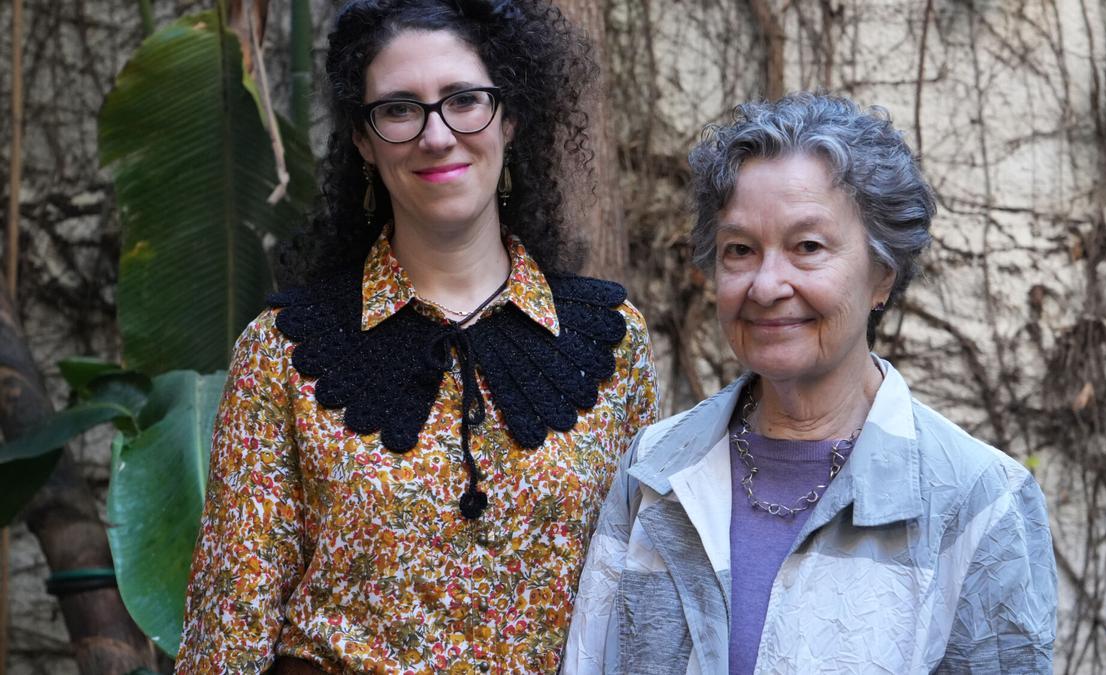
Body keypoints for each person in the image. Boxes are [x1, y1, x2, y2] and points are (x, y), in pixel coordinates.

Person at [175, 1, 657, 672]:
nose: (436, 135)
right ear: (364, 140)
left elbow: (639, 606)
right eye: (400, 109)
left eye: (465, 100)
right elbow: (229, 621)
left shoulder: (612, 345)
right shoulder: (282, 350)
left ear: (510, 116)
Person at [562, 93, 1056, 674]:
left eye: (808, 247)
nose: (767, 285)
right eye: (740, 250)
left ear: (882, 276)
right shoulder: (656, 471)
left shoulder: (977, 501)